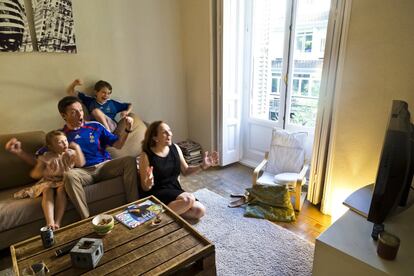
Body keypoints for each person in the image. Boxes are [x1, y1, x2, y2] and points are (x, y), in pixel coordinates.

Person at [139, 121, 219, 220]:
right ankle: (161, 217)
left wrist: (202, 166)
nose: (170, 134)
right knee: (188, 199)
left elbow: (185, 170)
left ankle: (157, 213)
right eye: (164, 132)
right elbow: (145, 187)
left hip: (174, 189)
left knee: (199, 210)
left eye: (169, 131)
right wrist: (148, 183)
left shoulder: (175, 148)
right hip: (156, 192)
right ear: (155, 138)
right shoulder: (146, 155)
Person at [6, 131, 85, 230]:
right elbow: (34, 174)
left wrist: (77, 148)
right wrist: (44, 171)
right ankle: (50, 222)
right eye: (60, 142)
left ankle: (57, 222)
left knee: (61, 190)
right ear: (50, 147)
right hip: (49, 181)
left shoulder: (71, 153)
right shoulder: (46, 157)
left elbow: (81, 164)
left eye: (65, 140)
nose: (65, 143)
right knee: (47, 190)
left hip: (64, 180)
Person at [67, 78, 132, 132]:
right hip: (96, 128)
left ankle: (108, 134)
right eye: (103, 92)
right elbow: (70, 92)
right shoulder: (90, 101)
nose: (106, 96)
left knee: (96, 111)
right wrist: (74, 84)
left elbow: (129, 105)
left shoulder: (112, 103)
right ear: (96, 92)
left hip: (111, 127)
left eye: (109, 93)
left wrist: (127, 111)